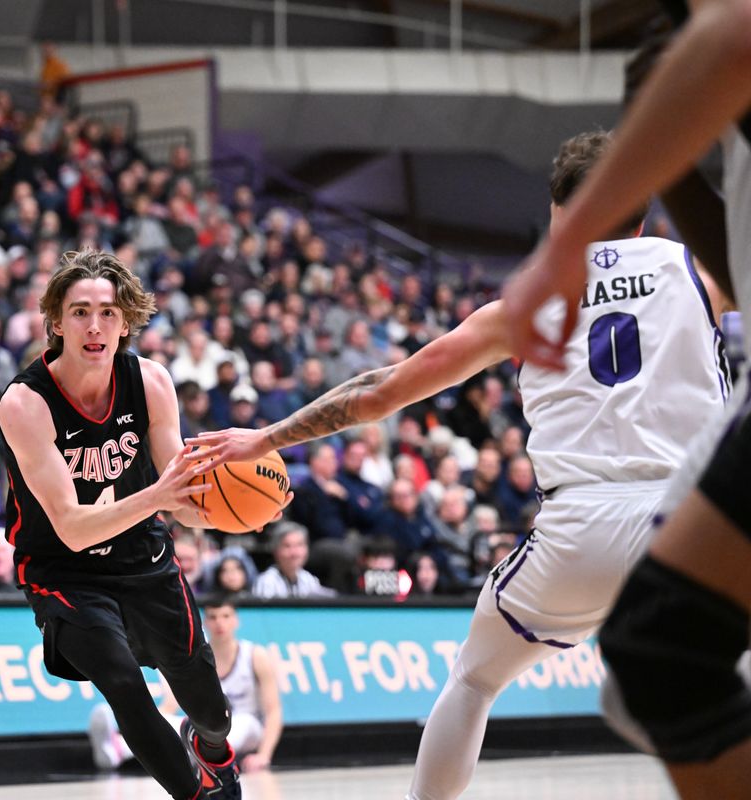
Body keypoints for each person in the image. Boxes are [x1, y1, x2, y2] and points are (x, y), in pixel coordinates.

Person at [185, 130, 730, 799]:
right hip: (693, 522)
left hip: (581, 529)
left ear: (561, 214)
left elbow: (377, 393)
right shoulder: (698, 271)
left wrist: (265, 438)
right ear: (644, 214)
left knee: (474, 680)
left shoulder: (524, 302)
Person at [498, 4, 751, 797]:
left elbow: (729, 33)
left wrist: (563, 252)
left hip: (587, 508)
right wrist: (666, 157)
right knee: (652, 657)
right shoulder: (681, 267)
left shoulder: (720, 40)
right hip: (658, 483)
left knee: (653, 656)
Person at [0, 250, 278, 800]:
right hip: (62, 569)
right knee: (124, 683)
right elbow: (73, 528)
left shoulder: (150, 382)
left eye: (107, 311)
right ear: (56, 322)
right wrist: (159, 495)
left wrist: (243, 515)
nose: (94, 325)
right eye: (79, 312)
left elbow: (182, 498)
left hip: (143, 557)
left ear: (126, 320)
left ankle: (211, 746)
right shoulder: (25, 403)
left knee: (208, 707)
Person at [88, 596, 284, 774]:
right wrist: (159, 720)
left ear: (236, 620)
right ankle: (118, 749)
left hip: (248, 727)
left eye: (225, 616)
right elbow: (172, 703)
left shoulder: (255, 655)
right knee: (174, 722)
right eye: (213, 617)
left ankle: (193, 755)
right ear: (205, 622)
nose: (219, 623)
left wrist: (264, 756)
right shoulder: (196, 655)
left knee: (239, 723)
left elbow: (273, 711)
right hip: (205, 728)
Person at [252, 522, 336, 599]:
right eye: (287, 546)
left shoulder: (307, 578)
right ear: (276, 550)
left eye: (299, 545)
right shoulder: (267, 582)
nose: (294, 553)